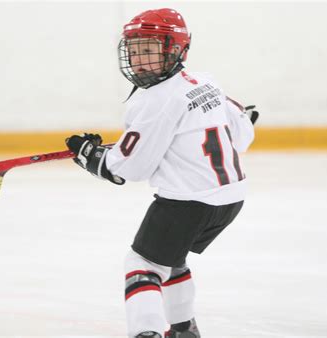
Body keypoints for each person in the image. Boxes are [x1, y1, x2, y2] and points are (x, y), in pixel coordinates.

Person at [65, 8, 258, 338]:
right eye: (135, 50)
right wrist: (245, 120)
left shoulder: (152, 101)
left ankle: (147, 332)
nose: (140, 60)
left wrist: (91, 156)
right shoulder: (206, 82)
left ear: (175, 49)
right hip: (231, 198)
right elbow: (241, 133)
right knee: (172, 258)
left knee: (142, 265)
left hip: (187, 204)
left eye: (150, 50)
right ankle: (184, 329)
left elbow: (131, 168)